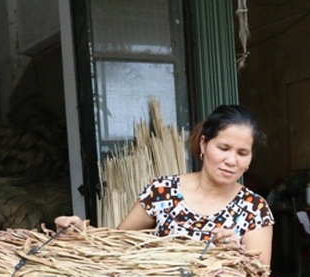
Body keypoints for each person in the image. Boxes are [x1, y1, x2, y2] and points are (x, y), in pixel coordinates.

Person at [56, 104, 274, 266]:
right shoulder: (162, 192)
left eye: (242, 153)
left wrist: (237, 254)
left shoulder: (253, 209)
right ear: (204, 143)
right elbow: (117, 241)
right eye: (223, 148)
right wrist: (81, 230)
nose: (231, 160)